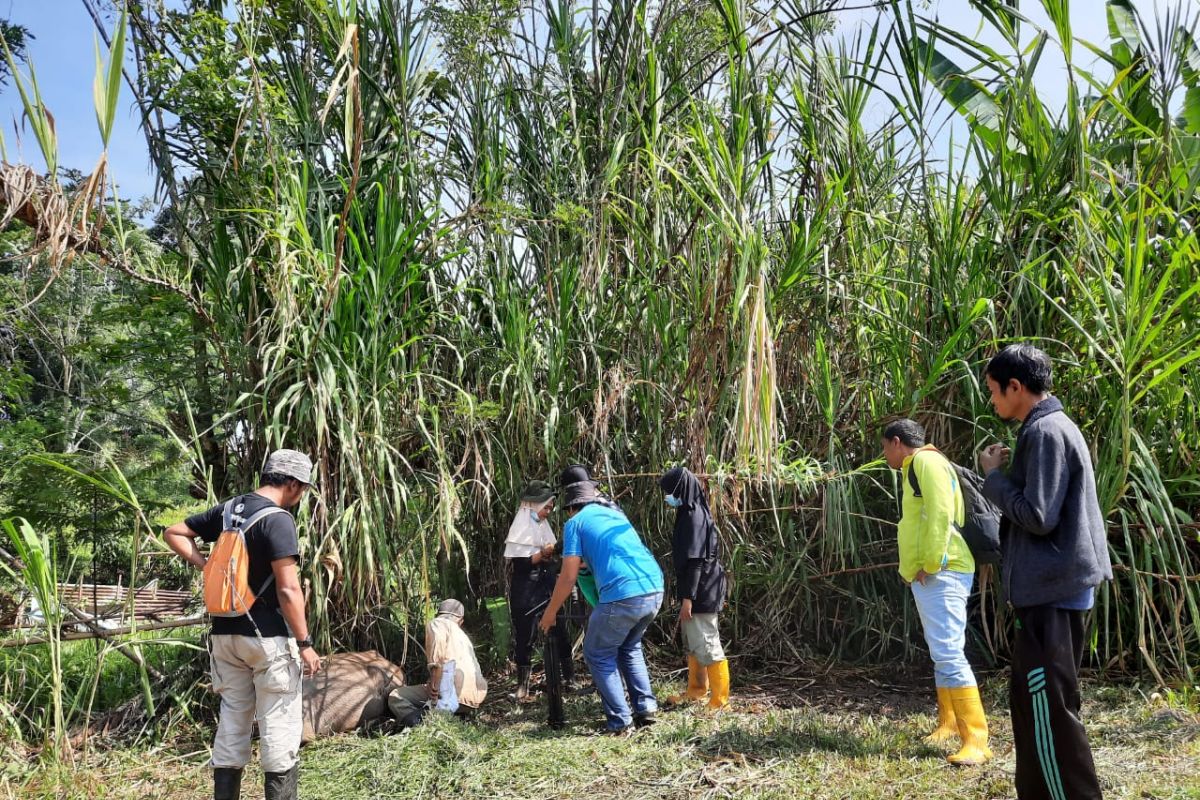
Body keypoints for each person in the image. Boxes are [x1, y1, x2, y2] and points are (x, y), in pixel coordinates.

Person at [978, 344, 1112, 800]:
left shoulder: (1045, 433)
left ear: (1016, 387)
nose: (993, 401)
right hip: (1053, 589)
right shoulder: (1046, 428)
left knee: (1048, 708)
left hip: (1052, 593)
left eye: (995, 392)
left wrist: (993, 478)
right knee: (1036, 702)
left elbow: (1038, 515)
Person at [163, 449, 321, 800]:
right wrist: (306, 643)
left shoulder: (229, 509)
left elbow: (174, 532)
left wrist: (207, 567)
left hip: (225, 636)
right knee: (279, 725)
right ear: (292, 484)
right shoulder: (278, 519)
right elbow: (288, 588)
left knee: (233, 721)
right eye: (303, 490)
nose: (301, 497)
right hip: (267, 640)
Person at [881, 419, 990, 765]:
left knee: (948, 653)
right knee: (941, 651)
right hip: (932, 572)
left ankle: (977, 740)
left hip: (943, 570)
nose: (885, 455)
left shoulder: (926, 462)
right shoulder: (918, 465)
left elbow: (941, 513)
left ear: (897, 442)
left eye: (885, 448)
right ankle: (949, 724)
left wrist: (931, 562)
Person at [540, 467, 664, 734]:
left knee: (597, 653)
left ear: (571, 507)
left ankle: (621, 722)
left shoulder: (575, 523)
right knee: (629, 646)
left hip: (624, 594)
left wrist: (550, 613)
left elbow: (568, 575)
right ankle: (646, 708)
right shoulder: (614, 513)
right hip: (654, 587)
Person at [658, 467, 730, 710]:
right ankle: (696, 690)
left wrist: (688, 597)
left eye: (669, 492)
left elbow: (696, 560)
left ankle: (720, 700)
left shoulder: (694, 516)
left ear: (679, 490)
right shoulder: (688, 511)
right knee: (694, 642)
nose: (668, 497)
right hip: (695, 588)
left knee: (708, 643)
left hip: (702, 589)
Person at [504, 480, 574, 701]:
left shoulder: (544, 527)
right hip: (526, 590)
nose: (548, 512)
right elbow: (522, 564)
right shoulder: (521, 528)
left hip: (548, 585)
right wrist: (544, 553)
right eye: (546, 507)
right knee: (525, 636)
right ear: (533, 506)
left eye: (551, 508)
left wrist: (553, 552)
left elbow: (552, 554)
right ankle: (523, 686)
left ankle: (569, 678)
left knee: (561, 630)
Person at [387, 599, 489, 726]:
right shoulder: (464, 637)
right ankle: (454, 718)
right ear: (460, 621)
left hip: (451, 694)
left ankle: (425, 725)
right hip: (474, 699)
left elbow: (437, 660)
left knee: (395, 696)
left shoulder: (437, 624)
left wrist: (434, 690)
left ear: (438, 614)